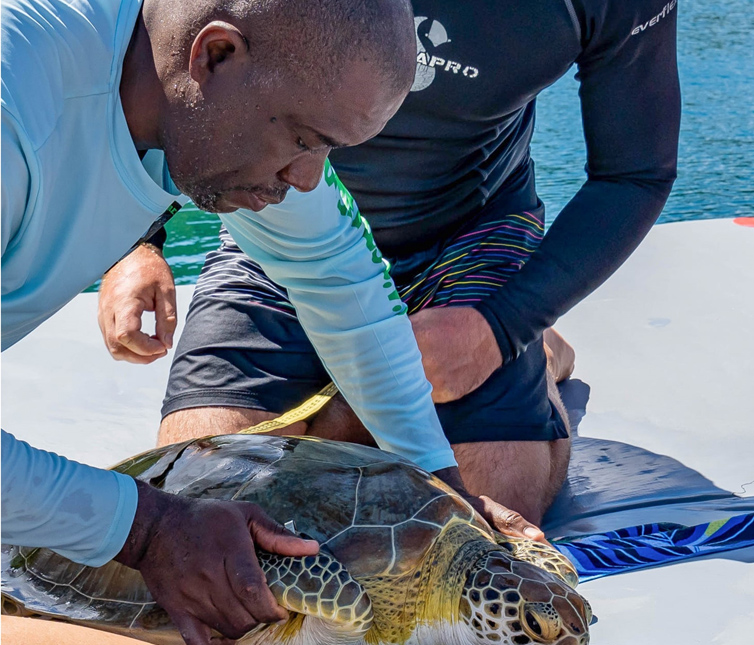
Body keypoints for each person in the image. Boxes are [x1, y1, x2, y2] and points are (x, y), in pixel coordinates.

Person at [1, 0, 531, 645]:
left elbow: (346, 289)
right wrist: (150, 527)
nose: (303, 180)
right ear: (215, 55)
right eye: (302, 141)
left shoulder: (186, 95)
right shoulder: (17, 100)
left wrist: (441, 492)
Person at [100, 0, 680, 526]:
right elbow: (165, 45)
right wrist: (135, 243)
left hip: (469, 234)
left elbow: (634, 173)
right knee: (202, 502)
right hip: (279, 218)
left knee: (479, 515)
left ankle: (536, 354)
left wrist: (501, 330)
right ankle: (373, 384)